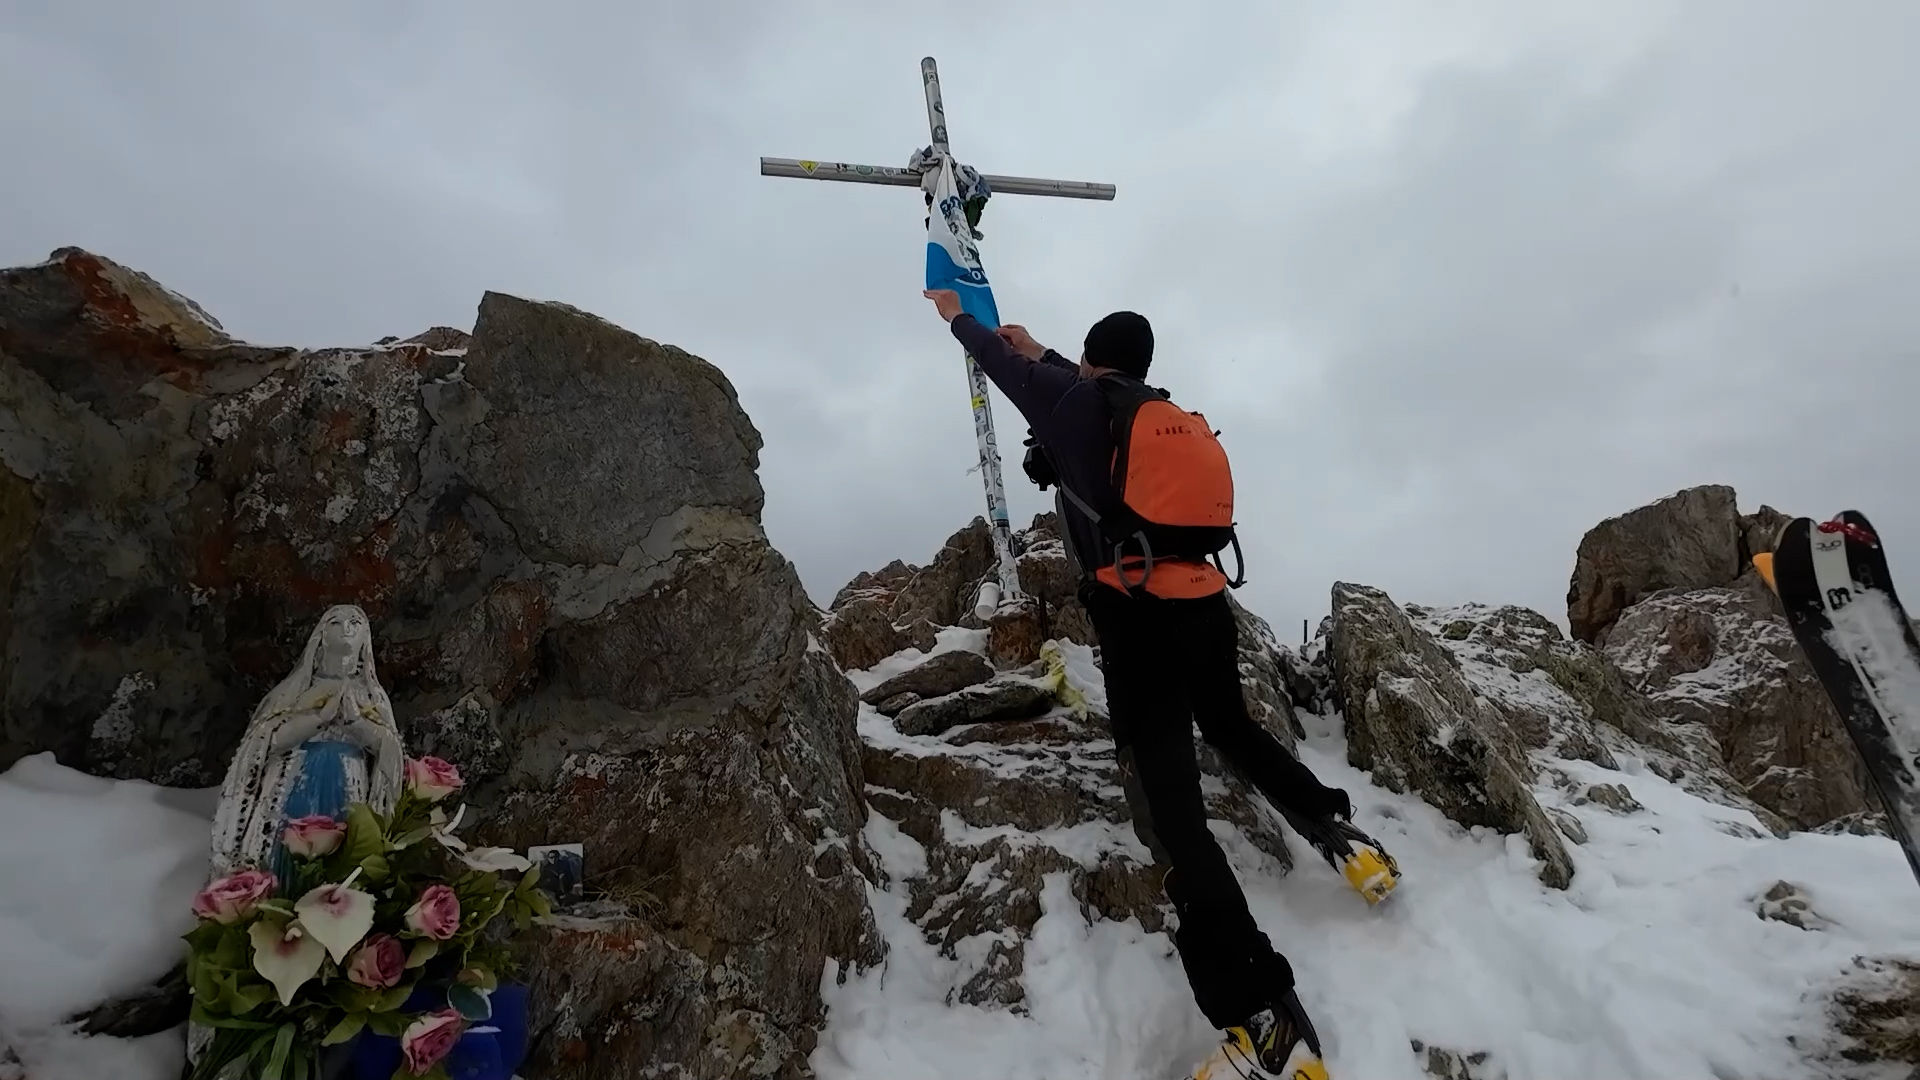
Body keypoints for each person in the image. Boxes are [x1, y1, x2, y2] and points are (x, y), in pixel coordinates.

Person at [922, 288, 1400, 1080]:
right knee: (1230, 723)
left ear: (1089, 357)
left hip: (1135, 609)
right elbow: (1044, 369)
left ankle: (1262, 1018)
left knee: (1173, 813)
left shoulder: (1075, 403)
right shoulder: (1159, 411)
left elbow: (998, 362)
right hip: (1206, 599)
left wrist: (954, 312)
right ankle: (1337, 831)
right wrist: (1039, 347)